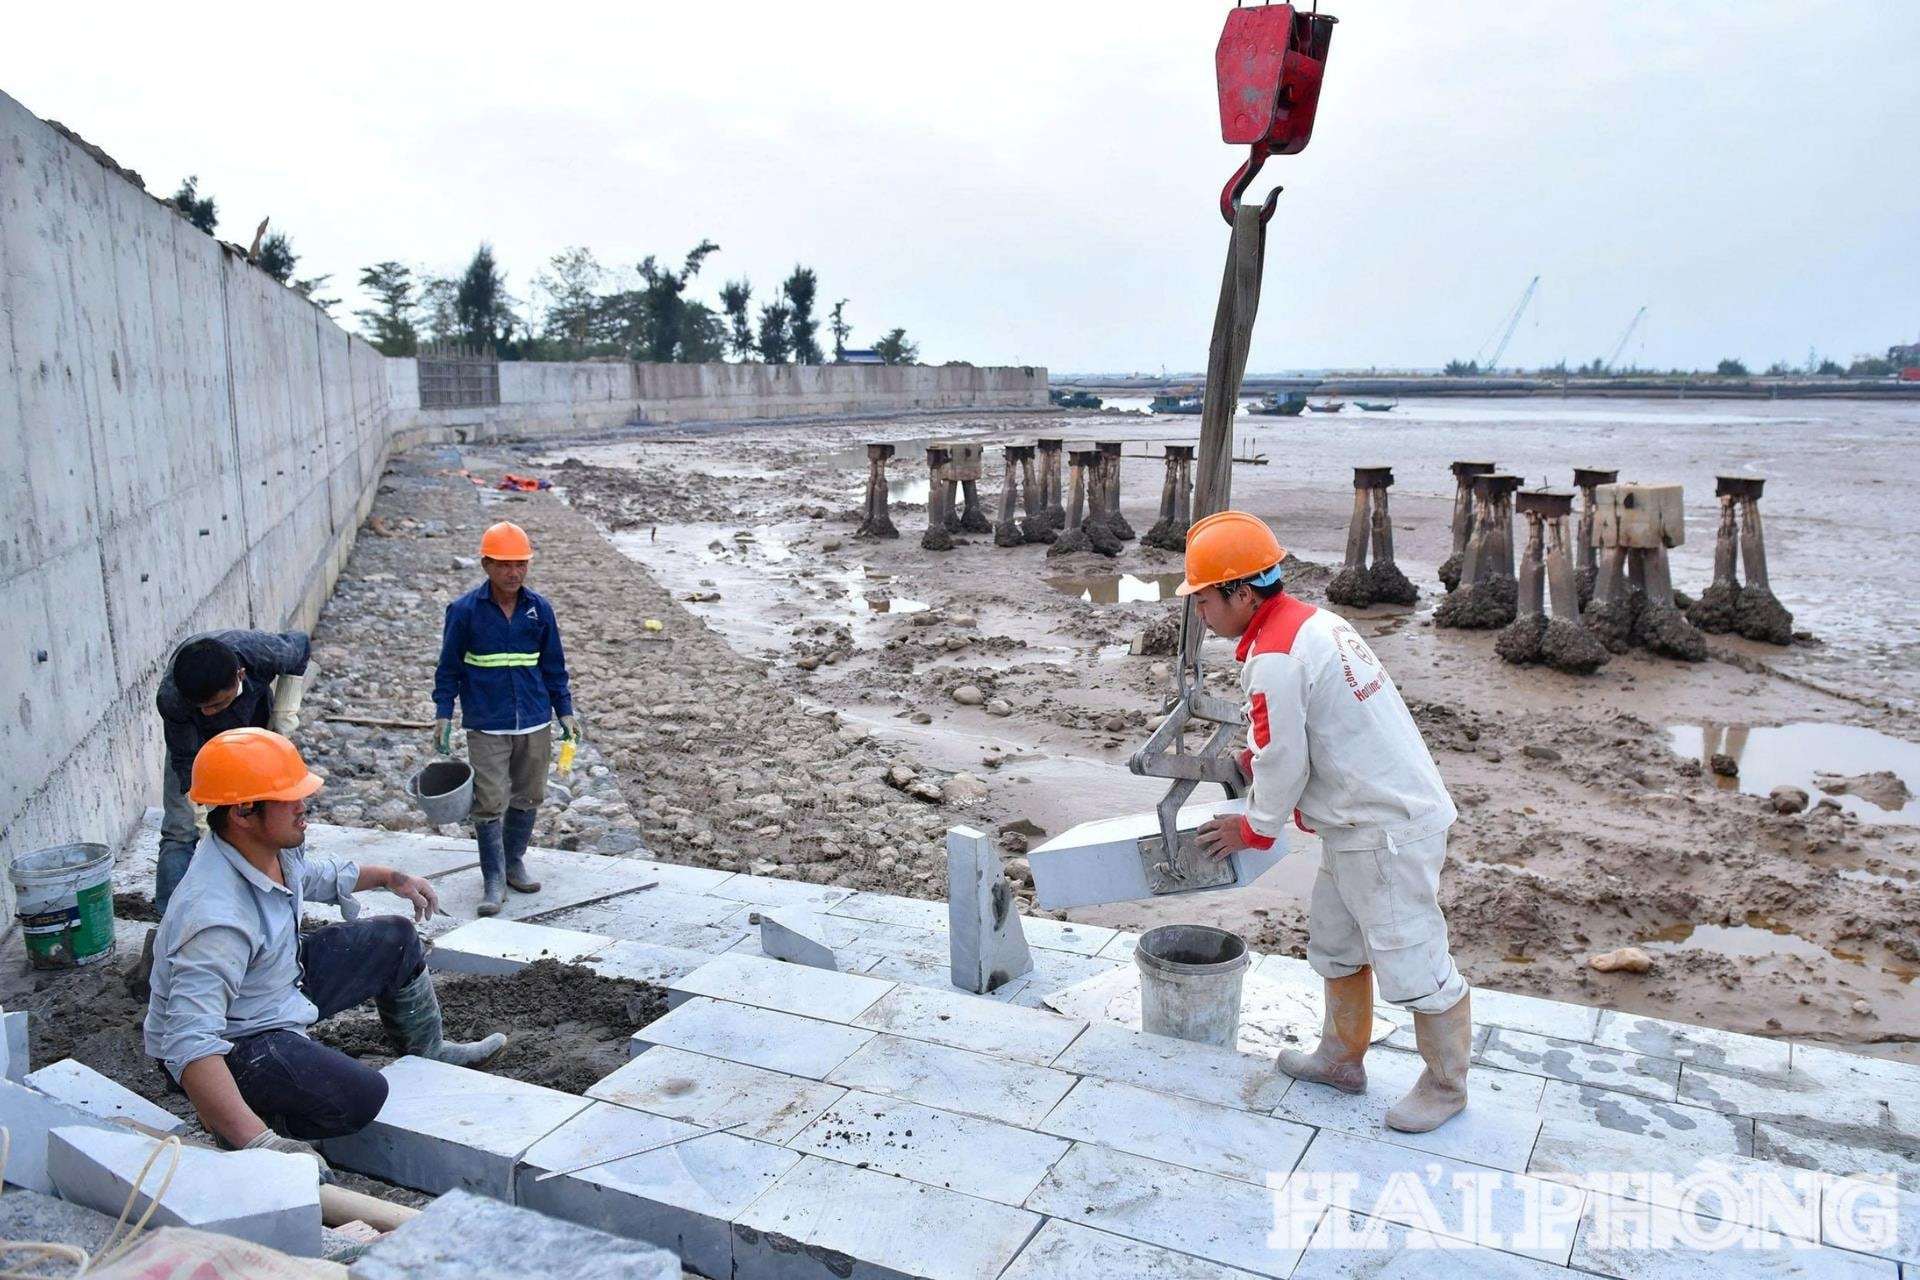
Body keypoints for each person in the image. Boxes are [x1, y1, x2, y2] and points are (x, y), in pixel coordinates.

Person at [1184, 510, 1471, 1133]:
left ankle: (1446, 1085)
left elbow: (1286, 759)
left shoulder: (1276, 657)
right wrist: (1253, 756)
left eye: (1203, 598)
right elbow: (1302, 730)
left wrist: (1253, 828)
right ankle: (1341, 1058)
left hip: (1385, 827)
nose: (1199, 612)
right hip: (1354, 823)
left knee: (1412, 955)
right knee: (1336, 943)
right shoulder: (1314, 623)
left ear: (1241, 591)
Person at [144, 729, 505, 1172]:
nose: (304, 806)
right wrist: (259, 1141)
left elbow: (314, 875)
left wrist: (390, 877)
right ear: (242, 811)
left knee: (395, 938)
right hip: (240, 1040)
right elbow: (189, 1043)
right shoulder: (216, 919)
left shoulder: (264, 849)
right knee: (360, 1097)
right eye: (289, 799)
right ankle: (243, 1121)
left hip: (275, 983)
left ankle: (429, 1050)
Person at [432, 521, 579, 916]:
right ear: (486, 565)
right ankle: (493, 878)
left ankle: (513, 863)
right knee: (489, 800)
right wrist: (443, 714)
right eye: (505, 565)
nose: (514, 573)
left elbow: (554, 666)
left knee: (529, 794)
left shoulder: (539, 609)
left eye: (521, 564)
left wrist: (565, 712)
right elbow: (448, 668)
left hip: (534, 720)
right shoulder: (465, 611)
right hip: (487, 723)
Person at [153, 631, 314, 916]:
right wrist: (203, 821)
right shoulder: (172, 698)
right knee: (181, 829)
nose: (208, 712)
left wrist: (284, 714)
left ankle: (263, 903)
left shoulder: (262, 653)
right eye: (201, 707)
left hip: (251, 730)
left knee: (263, 820)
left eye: (216, 704)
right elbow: (186, 762)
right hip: (195, 744)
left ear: (240, 676)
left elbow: (300, 647)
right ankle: (170, 916)